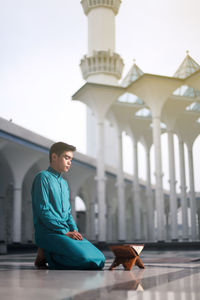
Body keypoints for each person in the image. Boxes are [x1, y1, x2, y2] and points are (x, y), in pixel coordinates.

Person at [31, 142, 105, 270]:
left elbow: (68, 213)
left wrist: (74, 230)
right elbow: (43, 211)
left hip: (66, 232)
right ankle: (47, 253)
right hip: (49, 232)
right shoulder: (42, 178)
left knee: (100, 259)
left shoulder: (64, 184)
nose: (69, 162)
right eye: (66, 158)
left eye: (71, 159)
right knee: (86, 259)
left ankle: (47, 252)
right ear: (54, 157)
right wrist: (64, 232)